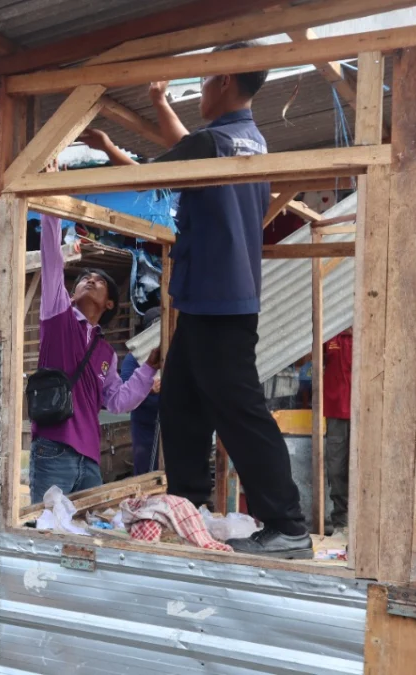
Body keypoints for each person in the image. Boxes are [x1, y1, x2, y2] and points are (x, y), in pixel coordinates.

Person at [81, 41, 309, 557]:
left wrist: (109, 152)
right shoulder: (248, 141)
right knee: (180, 401)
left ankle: (287, 524)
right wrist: (160, 104)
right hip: (216, 300)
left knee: (239, 410)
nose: (201, 89)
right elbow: (188, 148)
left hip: (217, 302)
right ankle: (188, 505)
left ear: (224, 80)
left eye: (204, 79)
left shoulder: (214, 144)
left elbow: (151, 175)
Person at [27, 207, 159, 504]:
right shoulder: (57, 317)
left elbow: (117, 402)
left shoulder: (106, 353)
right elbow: (51, 261)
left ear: (110, 304)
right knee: (50, 530)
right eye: (84, 279)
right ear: (70, 296)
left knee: (89, 532)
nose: (89, 280)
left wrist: (149, 368)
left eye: (98, 280)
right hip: (53, 447)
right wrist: (51, 212)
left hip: (89, 457)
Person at [121, 308, 162, 476]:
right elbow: (125, 389)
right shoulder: (134, 358)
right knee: (146, 472)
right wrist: (147, 389)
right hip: (146, 426)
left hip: (174, 424)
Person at [322, 329, 353, 536]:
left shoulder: (370, 334)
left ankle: (362, 520)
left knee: (362, 468)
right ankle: (341, 522)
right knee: (336, 468)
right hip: (335, 412)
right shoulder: (331, 335)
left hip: (367, 412)